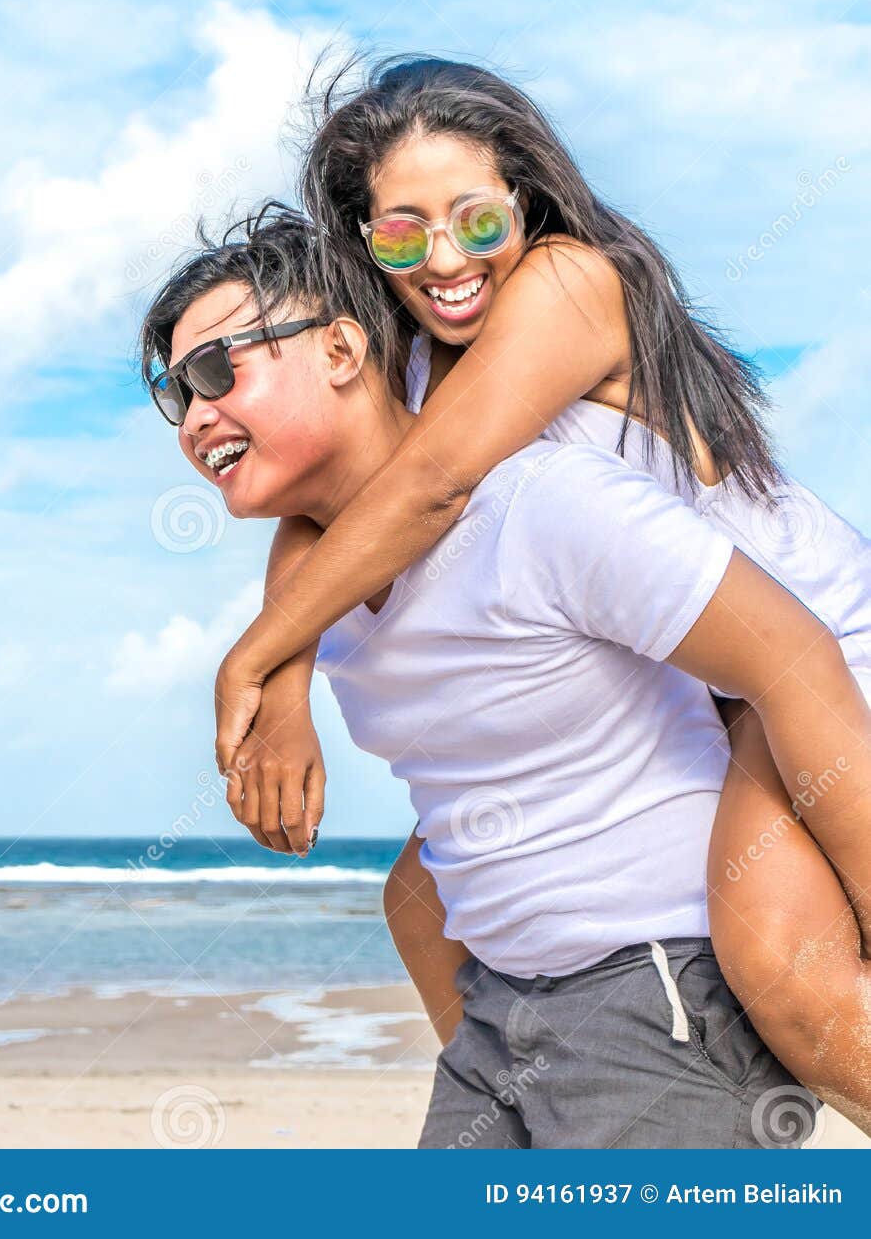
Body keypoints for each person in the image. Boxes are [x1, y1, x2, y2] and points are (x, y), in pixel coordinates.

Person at [208, 59, 871, 1130]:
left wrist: (248, 659)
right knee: (420, 901)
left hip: (815, 642)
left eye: (473, 218)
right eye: (398, 232)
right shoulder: (412, 358)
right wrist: (284, 685)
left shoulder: (568, 283)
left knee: (781, 963)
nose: (442, 258)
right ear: (359, 241)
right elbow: (320, 515)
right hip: (696, 675)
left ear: (525, 197)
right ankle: (526, 1102)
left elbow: (430, 484)